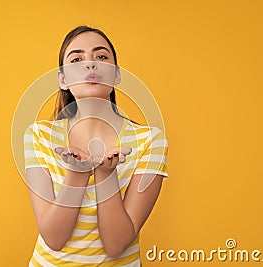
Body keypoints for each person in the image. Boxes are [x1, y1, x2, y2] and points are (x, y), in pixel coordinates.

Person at [24, 25, 169, 266]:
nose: (90, 64)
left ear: (116, 75)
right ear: (62, 79)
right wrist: (77, 174)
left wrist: (105, 175)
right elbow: (54, 238)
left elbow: (116, 244)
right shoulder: (39, 136)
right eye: (77, 59)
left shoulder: (150, 141)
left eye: (101, 56)